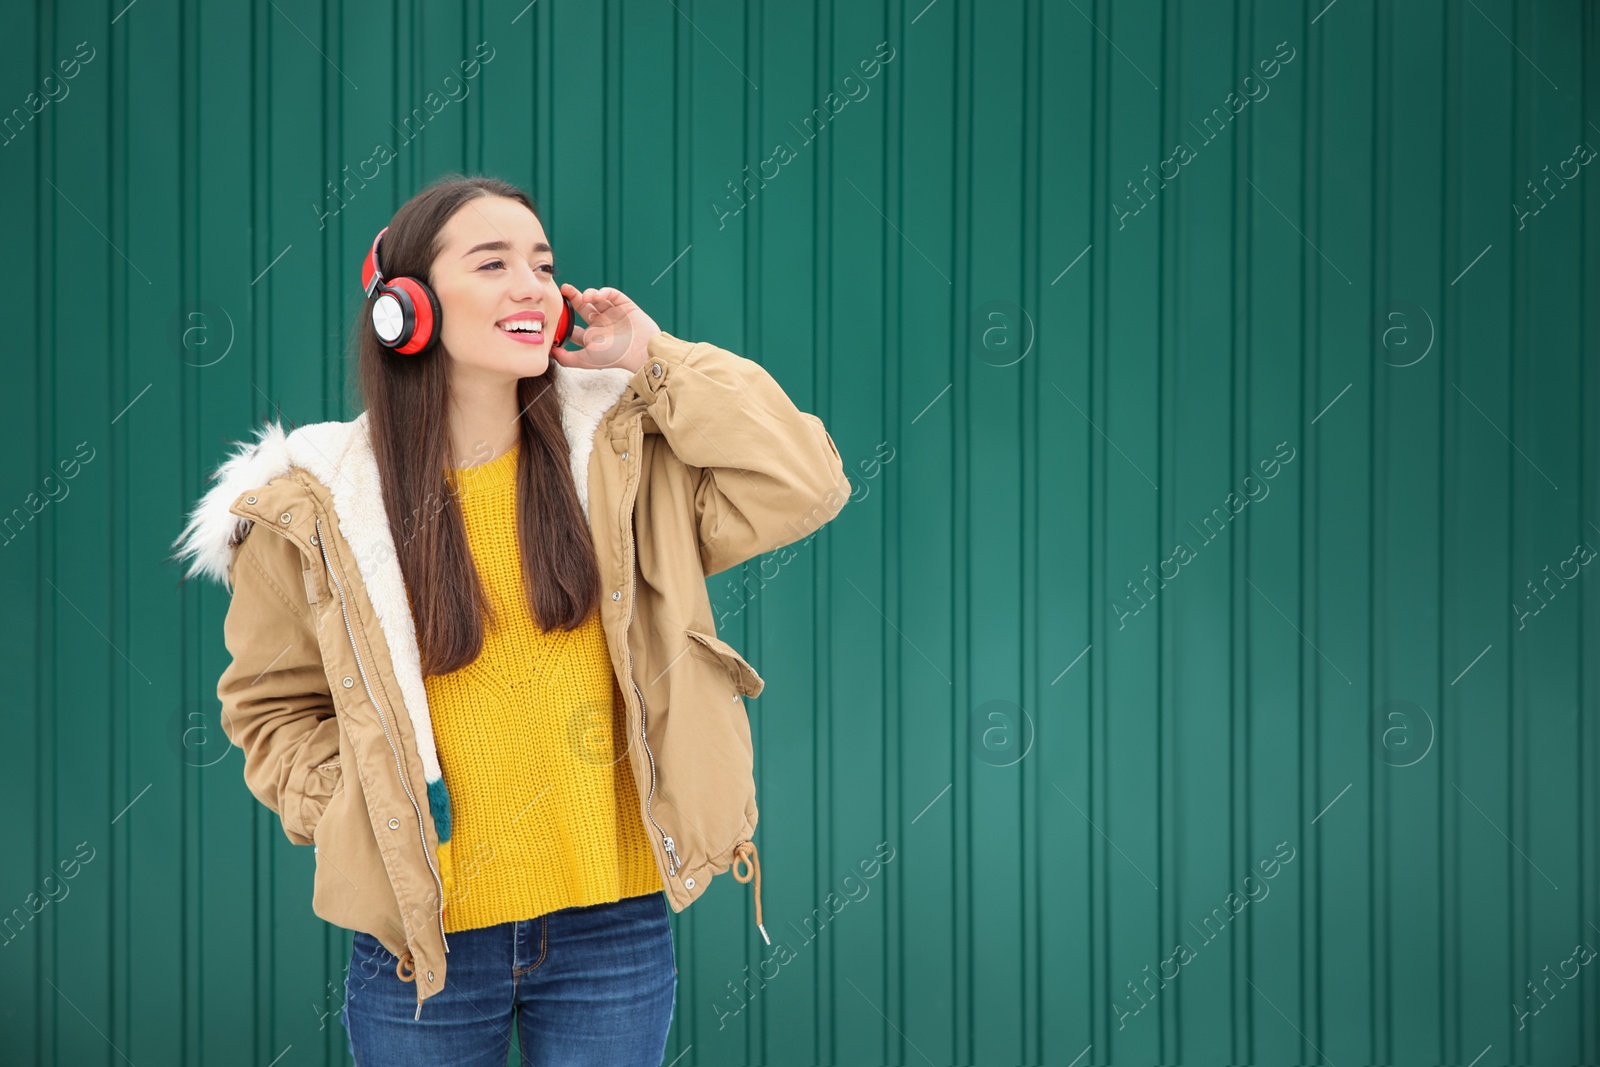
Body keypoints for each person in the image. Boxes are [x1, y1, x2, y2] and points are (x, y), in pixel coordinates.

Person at [169, 174, 851, 1064]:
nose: (533, 284)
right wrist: (356, 804)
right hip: (425, 945)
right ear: (405, 309)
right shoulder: (316, 511)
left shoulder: (622, 463)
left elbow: (807, 480)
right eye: (492, 263)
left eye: (543, 263)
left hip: (614, 925)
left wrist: (652, 354)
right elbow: (270, 710)